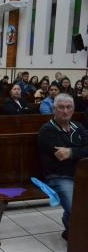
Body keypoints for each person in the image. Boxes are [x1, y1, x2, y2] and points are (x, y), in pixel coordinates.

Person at [39, 93, 88, 241]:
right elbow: (61, 156)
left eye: (69, 107)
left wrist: (72, 151)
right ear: (54, 109)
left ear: (73, 109)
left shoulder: (78, 127)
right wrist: (79, 152)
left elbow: (69, 153)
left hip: (81, 174)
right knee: (76, 207)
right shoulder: (47, 130)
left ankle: (71, 230)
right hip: (59, 177)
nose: (65, 111)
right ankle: (77, 235)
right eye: (61, 107)